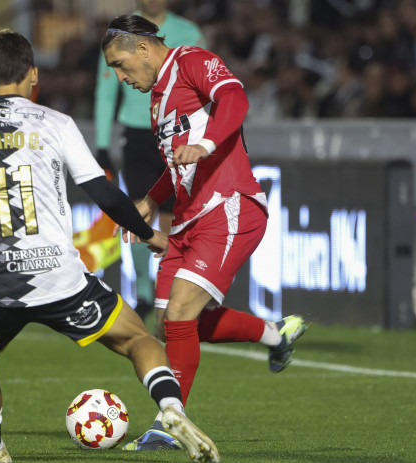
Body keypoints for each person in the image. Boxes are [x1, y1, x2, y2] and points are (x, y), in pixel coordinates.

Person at [0, 29, 219, 463]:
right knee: (138, 339)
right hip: (60, 280)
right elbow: (104, 193)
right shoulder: (55, 123)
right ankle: (171, 409)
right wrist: (150, 235)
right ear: (33, 76)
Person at [101, 14, 308, 452]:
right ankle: (276, 335)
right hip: (189, 219)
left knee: (178, 315)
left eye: (120, 64)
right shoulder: (157, 99)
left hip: (229, 206)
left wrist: (208, 144)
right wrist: (153, 199)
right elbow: (179, 164)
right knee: (170, 323)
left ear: (143, 48)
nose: (120, 77)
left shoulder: (192, 60)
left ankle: (168, 424)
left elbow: (234, 97)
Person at [94, 0, 205, 322]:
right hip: (139, 135)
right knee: (140, 215)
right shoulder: (120, 34)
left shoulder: (189, 32)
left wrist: (201, 136)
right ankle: (144, 291)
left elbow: (201, 84)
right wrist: (103, 144)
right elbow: (105, 91)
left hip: (178, 133)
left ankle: (170, 287)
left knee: (174, 218)